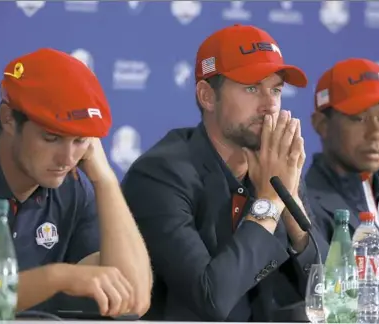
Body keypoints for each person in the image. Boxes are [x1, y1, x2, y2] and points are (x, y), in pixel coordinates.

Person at [120, 24, 329, 322]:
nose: (270, 105)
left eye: (276, 90)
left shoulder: (279, 167)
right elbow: (211, 299)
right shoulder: (160, 176)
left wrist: (290, 199)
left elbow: (332, 293)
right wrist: (269, 202)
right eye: (252, 88)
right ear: (207, 96)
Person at [0, 48, 152, 317]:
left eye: (80, 140)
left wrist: (104, 178)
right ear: (9, 119)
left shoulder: (74, 186)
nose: (68, 158)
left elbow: (133, 299)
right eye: (51, 138)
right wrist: (60, 277)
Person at [306, 58, 379, 315]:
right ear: (321, 124)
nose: (375, 133)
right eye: (359, 118)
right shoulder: (301, 212)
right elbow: (337, 311)